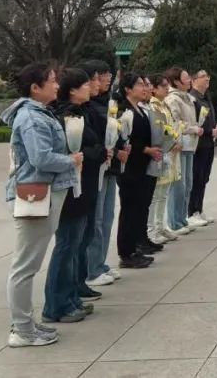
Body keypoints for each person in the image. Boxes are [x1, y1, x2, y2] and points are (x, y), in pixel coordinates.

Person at [3, 61, 83, 348]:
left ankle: (25, 323)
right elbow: (41, 158)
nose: (57, 85)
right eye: (52, 80)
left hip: (43, 193)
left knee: (29, 263)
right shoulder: (32, 117)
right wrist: (71, 160)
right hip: (35, 196)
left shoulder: (39, 113)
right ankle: (22, 329)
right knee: (25, 265)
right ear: (35, 88)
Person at [43, 68, 105, 323]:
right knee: (67, 244)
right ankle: (55, 305)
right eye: (85, 85)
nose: (91, 87)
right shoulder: (64, 116)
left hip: (85, 186)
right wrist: (96, 153)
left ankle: (72, 296)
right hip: (71, 190)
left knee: (78, 242)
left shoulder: (82, 112)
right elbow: (69, 152)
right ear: (73, 90)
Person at [81, 60, 127, 288]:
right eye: (101, 76)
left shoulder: (107, 102)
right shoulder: (87, 107)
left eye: (108, 75)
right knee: (96, 219)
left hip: (109, 167)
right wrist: (110, 151)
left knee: (106, 217)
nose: (106, 80)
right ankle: (92, 268)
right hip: (96, 166)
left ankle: (100, 263)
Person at [116, 73, 163, 268]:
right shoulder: (124, 111)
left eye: (145, 84)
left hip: (143, 166)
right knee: (129, 209)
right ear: (127, 89)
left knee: (139, 207)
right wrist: (146, 150)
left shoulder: (141, 109)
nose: (145, 88)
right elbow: (125, 140)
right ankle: (126, 252)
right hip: (130, 167)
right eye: (140, 85)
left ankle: (137, 245)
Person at [164, 67, 200, 234]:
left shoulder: (187, 98)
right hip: (179, 145)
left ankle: (182, 218)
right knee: (178, 185)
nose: (189, 80)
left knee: (187, 184)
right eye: (186, 77)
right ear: (176, 82)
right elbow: (175, 122)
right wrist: (193, 129)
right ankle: (174, 222)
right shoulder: (173, 99)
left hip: (190, 144)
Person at [147, 74, 181, 244]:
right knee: (156, 193)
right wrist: (169, 142)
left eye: (167, 85)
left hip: (169, 151)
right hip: (160, 152)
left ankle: (161, 226)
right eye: (163, 86)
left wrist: (175, 139)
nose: (167, 88)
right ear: (154, 88)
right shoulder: (153, 106)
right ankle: (151, 229)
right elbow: (157, 130)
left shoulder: (164, 104)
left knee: (163, 193)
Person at [188, 70, 217, 226]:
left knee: (204, 178)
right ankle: (191, 211)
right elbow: (193, 122)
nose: (207, 79)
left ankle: (199, 209)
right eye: (203, 76)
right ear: (194, 80)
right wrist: (209, 131)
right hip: (198, 145)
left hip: (209, 144)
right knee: (196, 177)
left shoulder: (206, 98)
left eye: (208, 76)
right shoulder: (192, 99)